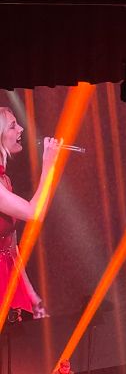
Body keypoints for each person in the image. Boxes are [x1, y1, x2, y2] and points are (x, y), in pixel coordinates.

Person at [0, 107, 59, 317]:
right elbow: (35, 213)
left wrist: (33, 298)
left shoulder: (5, 180)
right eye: (13, 126)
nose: (21, 129)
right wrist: (49, 166)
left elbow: (11, 246)